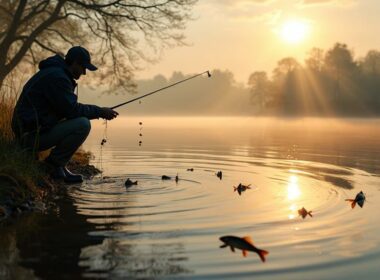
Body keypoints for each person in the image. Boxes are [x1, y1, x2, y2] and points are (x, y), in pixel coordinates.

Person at [12, 46, 118, 183]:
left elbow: (65, 109)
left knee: (80, 121)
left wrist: (99, 111)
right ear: (75, 63)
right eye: (83, 67)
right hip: (30, 136)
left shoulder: (55, 73)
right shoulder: (58, 78)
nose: (84, 72)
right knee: (82, 124)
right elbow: (72, 110)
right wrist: (100, 111)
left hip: (32, 130)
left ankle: (59, 165)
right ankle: (53, 165)